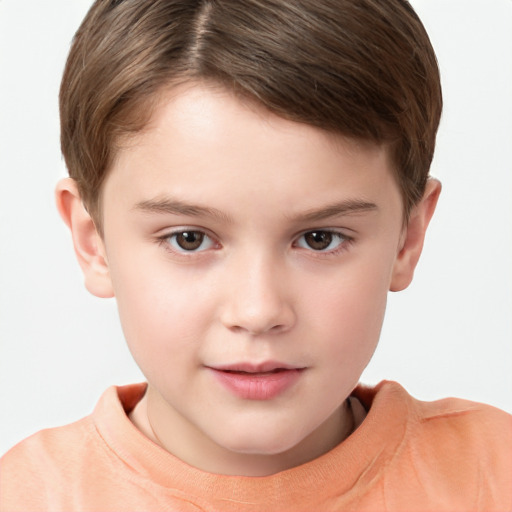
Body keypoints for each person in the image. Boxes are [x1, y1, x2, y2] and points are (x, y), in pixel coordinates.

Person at [1, 0, 510, 510]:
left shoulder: (495, 473)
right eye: (189, 239)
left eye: (319, 239)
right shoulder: (24, 496)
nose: (258, 311)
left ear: (408, 237)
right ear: (94, 242)